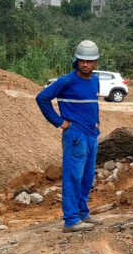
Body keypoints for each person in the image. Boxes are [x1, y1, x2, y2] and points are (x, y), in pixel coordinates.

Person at [36, 40, 102, 232]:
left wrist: (97, 121)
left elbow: (93, 104)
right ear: (77, 60)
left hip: (91, 135)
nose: (85, 64)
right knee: (73, 176)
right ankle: (71, 220)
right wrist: (60, 122)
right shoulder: (67, 81)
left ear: (95, 62)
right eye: (82, 61)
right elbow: (42, 98)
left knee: (87, 176)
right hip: (75, 135)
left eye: (89, 62)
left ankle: (83, 213)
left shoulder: (96, 81)